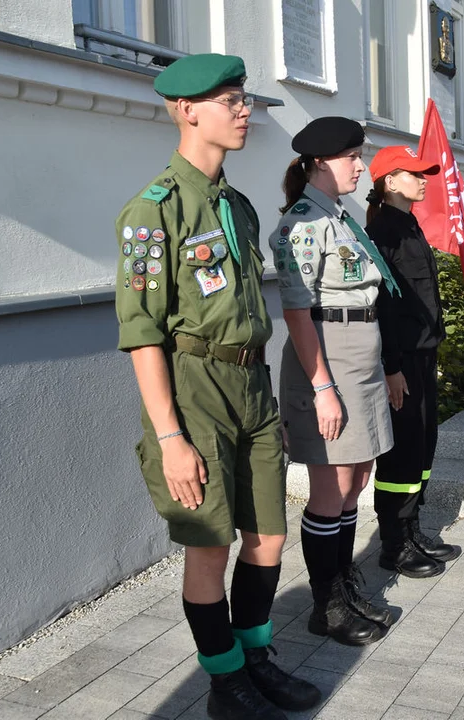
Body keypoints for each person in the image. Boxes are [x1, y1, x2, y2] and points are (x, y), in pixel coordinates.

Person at [114, 54, 319, 720]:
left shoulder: (236, 206)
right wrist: (171, 437)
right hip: (193, 387)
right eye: (228, 100)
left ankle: (255, 656)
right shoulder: (152, 212)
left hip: (249, 382)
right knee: (210, 544)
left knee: (267, 538)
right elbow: (143, 334)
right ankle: (224, 679)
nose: (243, 110)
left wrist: (267, 400)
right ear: (184, 110)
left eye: (244, 99)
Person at [271, 116, 399, 646]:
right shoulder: (302, 224)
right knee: (330, 486)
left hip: (360, 354)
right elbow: (299, 314)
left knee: (357, 480)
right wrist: (322, 387)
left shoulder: (339, 216)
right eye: (353, 157)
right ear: (322, 162)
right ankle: (326, 605)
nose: (361, 166)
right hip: (327, 356)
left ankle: (342, 586)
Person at [364, 145, 462, 579]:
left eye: (425, 173)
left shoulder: (409, 225)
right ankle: (393, 544)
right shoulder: (383, 231)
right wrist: (392, 367)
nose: (424, 180)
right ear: (389, 181)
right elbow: (383, 307)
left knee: (422, 446)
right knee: (402, 454)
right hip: (402, 362)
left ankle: (412, 528)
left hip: (423, 355)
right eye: (414, 174)